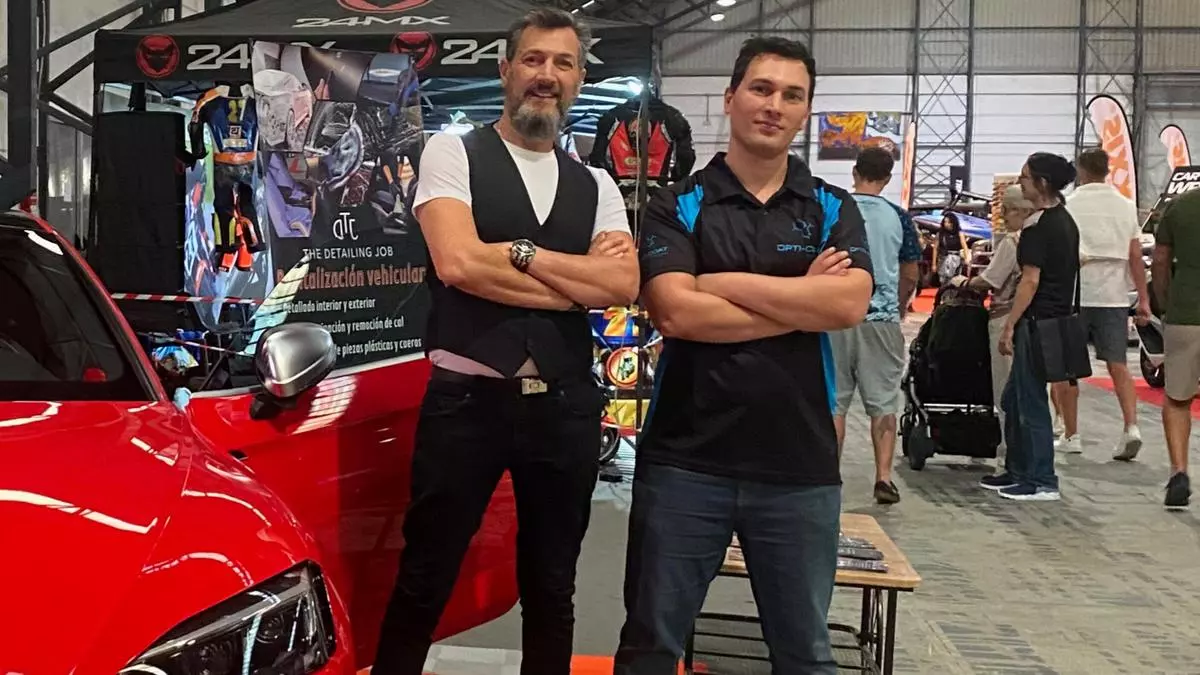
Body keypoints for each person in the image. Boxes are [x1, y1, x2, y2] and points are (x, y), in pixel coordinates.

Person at [371, 9, 638, 675]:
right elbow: (458, 263)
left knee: (552, 587)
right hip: (467, 404)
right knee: (425, 576)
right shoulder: (451, 153)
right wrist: (574, 285)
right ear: (505, 70)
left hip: (565, 407)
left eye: (563, 63)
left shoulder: (597, 183)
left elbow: (621, 283)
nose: (547, 75)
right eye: (534, 59)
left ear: (579, 79)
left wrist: (519, 255)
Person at [614, 36, 874, 675]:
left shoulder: (831, 206)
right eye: (761, 89)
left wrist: (720, 283)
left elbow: (847, 305)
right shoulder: (676, 203)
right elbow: (676, 313)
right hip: (685, 462)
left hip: (799, 466)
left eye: (792, 95)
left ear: (805, 111)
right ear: (730, 99)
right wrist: (801, 298)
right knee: (650, 648)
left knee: (806, 655)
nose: (774, 105)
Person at [980, 153, 1080, 501]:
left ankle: (1041, 479)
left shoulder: (1038, 228)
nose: (1019, 183)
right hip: (1054, 319)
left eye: (1025, 177)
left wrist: (1010, 325)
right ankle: (1018, 469)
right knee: (1014, 397)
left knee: (1030, 401)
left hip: (1037, 321)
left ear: (1042, 183)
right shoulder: (1064, 220)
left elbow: (1030, 281)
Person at [831, 146, 921, 504]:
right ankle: (883, 477)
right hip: (881, 320)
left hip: (834, 316)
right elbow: (910, 272)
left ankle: (828, 475)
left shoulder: (834, 210)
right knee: (883, 401)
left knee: (833, 401)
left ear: (855, 173)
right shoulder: (899, 217)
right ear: (887, 178)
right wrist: (897, 306)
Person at [1053, 148, 1151, 457]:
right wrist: (1143, 299)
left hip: (1075, 293)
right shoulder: (1126, 206)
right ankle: (1131, 427)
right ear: (1107, 170)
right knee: (1118, 364)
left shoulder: (1069, 205)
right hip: (1114, 295)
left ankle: (1071, 434)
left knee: (1066, 368)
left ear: (1081, 171)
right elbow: (1135, 257)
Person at [956, 184, 1037, 467]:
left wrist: (963, 282)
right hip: (1034, 320)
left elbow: (991, 280)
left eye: (1006, 211)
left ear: (1020, 211)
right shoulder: (1040, 239)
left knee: (1004, 386)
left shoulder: (1013, 243)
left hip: (1005, 317)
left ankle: (1008, 450)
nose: (1003, 217)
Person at [1152, 187, 1200, 510]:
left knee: (1177, 398)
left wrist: (1165, 303)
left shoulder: (1180, 207)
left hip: (1185, 312)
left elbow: (1160, 261)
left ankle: (1179, 472)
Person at [931, 211, 969, 286]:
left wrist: (966, 258)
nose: (946, 224)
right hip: (943, 259)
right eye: (945, 222)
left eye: (949, 222)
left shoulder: (960, 233)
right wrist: (934, 264)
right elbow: (935, 249)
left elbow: (965, 246)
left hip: (956, 260)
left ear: (953, 223)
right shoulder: (940, 234)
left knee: (955, 281)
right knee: (943, 280)